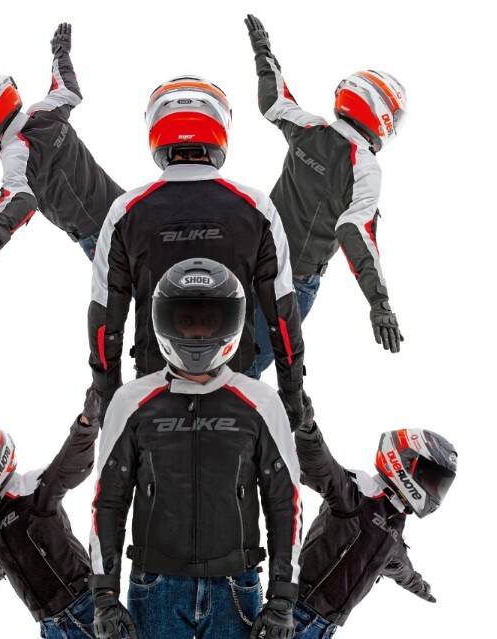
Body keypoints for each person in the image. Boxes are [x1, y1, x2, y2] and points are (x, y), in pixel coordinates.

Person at [88, 259, 303, 639]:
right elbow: (108, 501)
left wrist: (283, 596)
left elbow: (286, 501)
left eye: (210, 320)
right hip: (155, 588)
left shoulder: (261, 402)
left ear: (230, 322)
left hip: (236, 587)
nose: (198, 332)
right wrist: (104, 593)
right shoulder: (131, 401)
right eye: (185, 320)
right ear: (164, 321)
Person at [87, 75, 306, 429]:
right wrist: (293, 393)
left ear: (156, 128)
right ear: (220, 126)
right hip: (236, 386)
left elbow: (105, 318)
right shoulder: (256, 209)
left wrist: (109, 397)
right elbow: (281, 313)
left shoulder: (126, 212)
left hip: (154, 388)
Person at [243, 14, 407, 377]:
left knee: (208, 356)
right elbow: (356, 231)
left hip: (250, 258)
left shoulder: (310, 128)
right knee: (243, 374)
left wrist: (263, 51)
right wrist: (379, 302)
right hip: (291, 283)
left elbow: (273, 100)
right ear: (381, 112)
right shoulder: (364, 166)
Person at [0, 23, 123, 278]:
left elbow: (18, 197)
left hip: (102, 235)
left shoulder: (16, 150)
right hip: (125, 205)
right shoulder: (45, 112)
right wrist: (60, 51)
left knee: (155, 295)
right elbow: (68, 89)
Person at [0, 407, 113, 639]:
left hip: (86, 607)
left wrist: (86, 422)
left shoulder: (30, 489)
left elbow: (69, 464)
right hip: (49, 627)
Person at [290, 404, 457, 638]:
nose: (433, 490)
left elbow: (402, 568)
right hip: (295, 615)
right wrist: (307, 427)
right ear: (405, 461)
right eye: (430, 480)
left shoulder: (394, 525)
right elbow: (320, 466)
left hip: (324, 629)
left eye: (437, 485)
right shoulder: (359, 492)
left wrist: (421, 588)